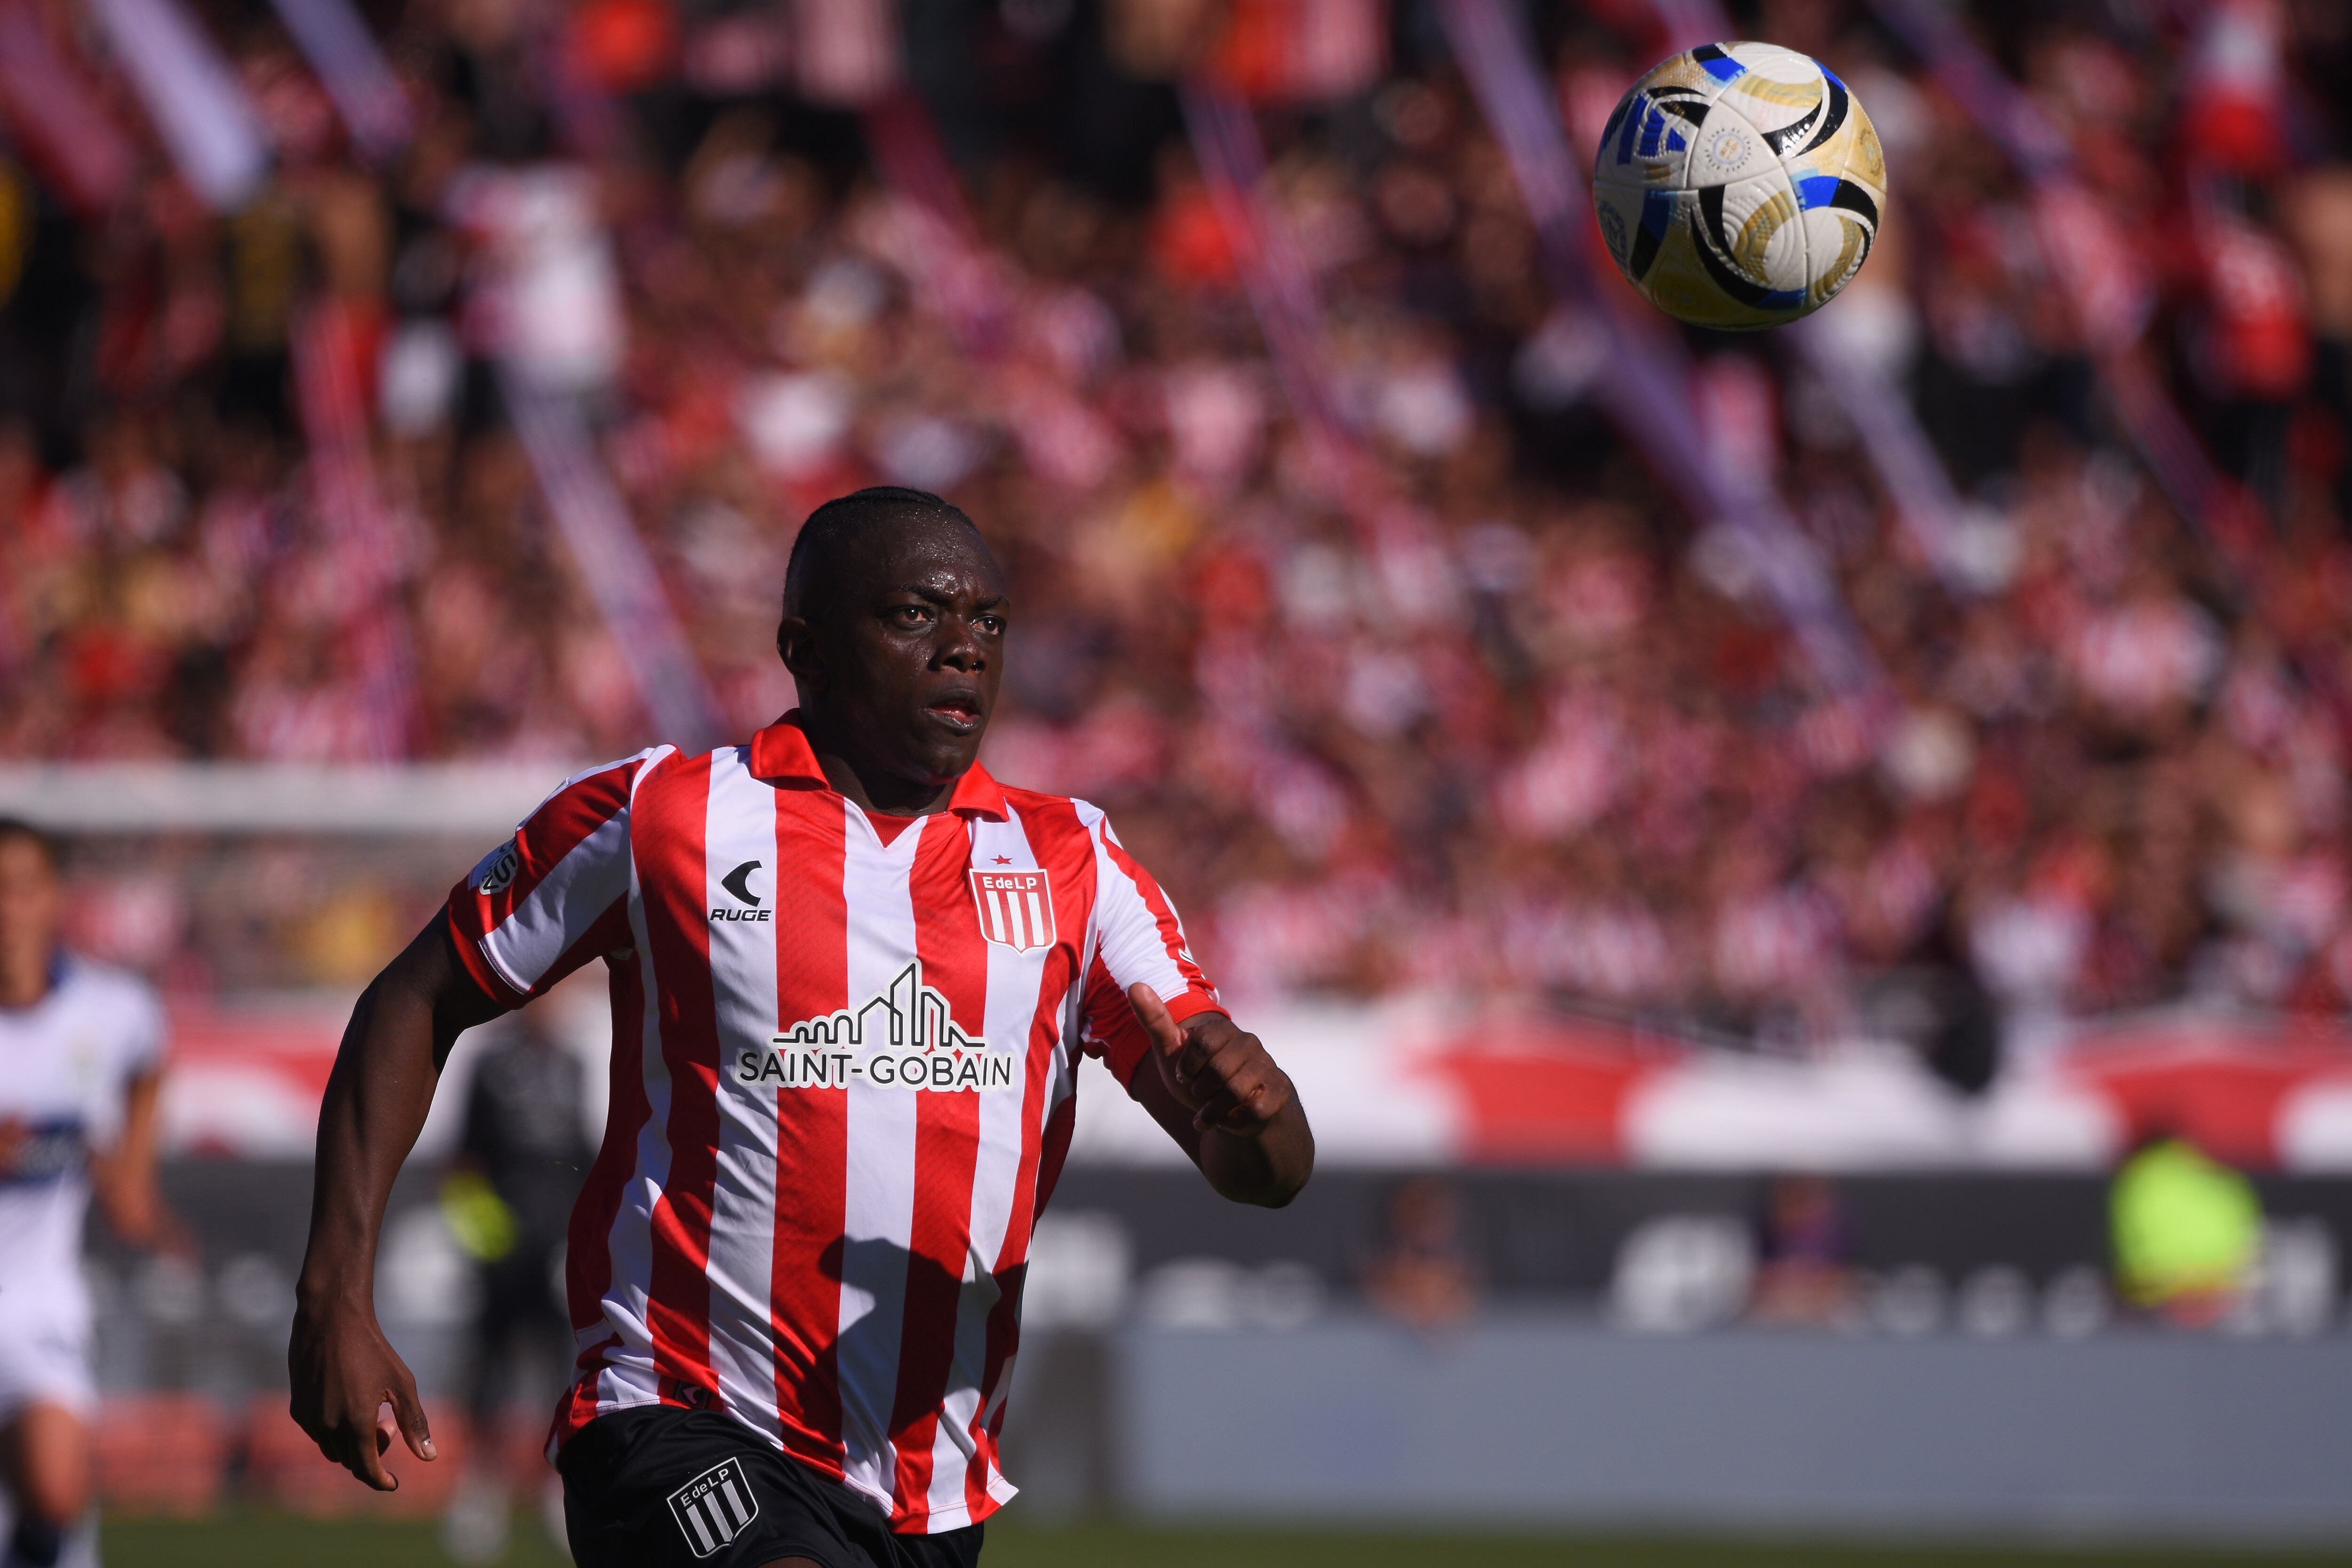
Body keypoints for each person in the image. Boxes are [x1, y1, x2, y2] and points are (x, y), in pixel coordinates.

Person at [289, 486, 1314, 1568]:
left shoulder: (1074, 863)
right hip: (677, 1411)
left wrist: (1258, 1108)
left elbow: (1264, 1169)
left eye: (990, 623)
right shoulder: (669, 818)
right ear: (806, 650)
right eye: (917, 616)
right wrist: (332, 1294)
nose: (965, 649)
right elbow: (413, 999)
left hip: (930, 1484)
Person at [0, 821, 170, 1568]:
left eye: (21, 887)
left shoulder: (109, 1010)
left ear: (52, 900)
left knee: (55, 1491)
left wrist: (132, 1176)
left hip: (39, 1300)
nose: (6, 906)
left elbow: (147, 1062)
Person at [439, 1012, 594, 1562]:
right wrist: (485, 1242)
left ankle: (561, 1489)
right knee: (492, 1369)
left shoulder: (574, 1065)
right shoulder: (489, 1063)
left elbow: (586, 1158)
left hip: (557, 1252)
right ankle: (482, 1491)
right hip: (502, 1251)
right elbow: (462, 1162)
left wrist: (580, 1241)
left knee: (563, 1372)